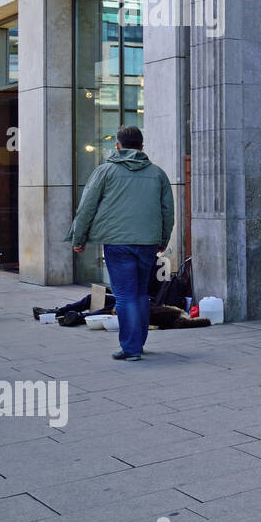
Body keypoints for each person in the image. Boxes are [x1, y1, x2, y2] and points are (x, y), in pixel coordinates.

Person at [66, 126, 174, 362]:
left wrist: (78, 238)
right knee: (140, 293)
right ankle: (138, 343)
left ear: (117, 146)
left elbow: (86, 208)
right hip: (147, 242)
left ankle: (131, 348)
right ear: (142, 147)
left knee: (125, 295)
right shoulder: (158, 174)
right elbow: (168, 211)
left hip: (117, 244)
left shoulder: (104, 172)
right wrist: (163, 239)